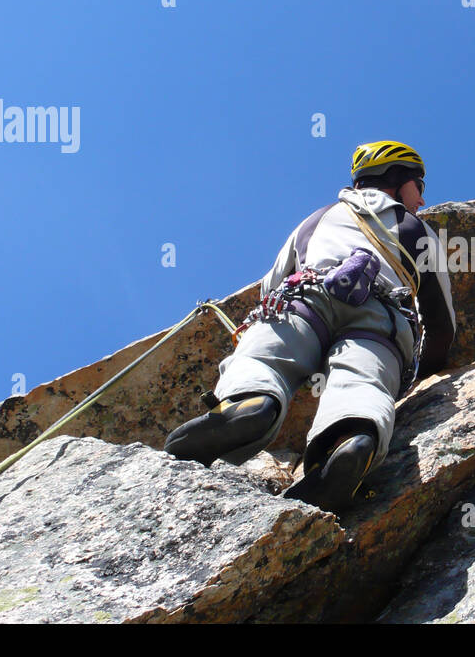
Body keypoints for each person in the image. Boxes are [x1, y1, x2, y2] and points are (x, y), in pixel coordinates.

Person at [163, 141, 457, 513]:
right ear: (397, 180)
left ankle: (249, 401)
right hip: (379, 317)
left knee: (266, 358)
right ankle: (349, 439)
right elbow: (441, 320)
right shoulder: (417, 229)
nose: (422, 200)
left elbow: (271, 286)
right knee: (363, 381)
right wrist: (424, 373)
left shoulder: (314, 221)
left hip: (304, 298)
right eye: (419, 186)